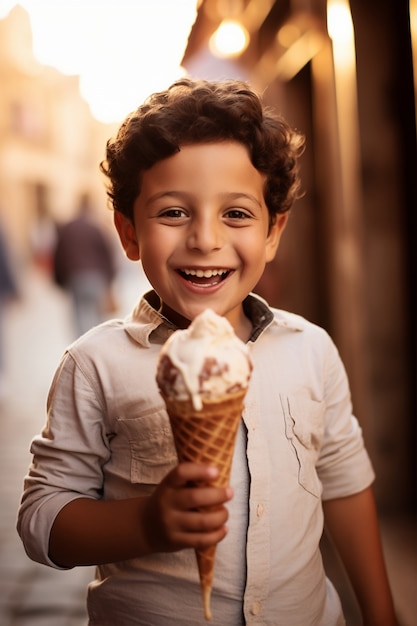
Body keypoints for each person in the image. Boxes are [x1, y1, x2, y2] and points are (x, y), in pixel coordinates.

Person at [17, 78, 397, 625]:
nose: (204, 238)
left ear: (273, 232)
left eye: (236, 214)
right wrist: (145, 524)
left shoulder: (310, 349)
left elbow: (342, 482)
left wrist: (381, 614)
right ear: (129, 234)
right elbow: (41, 518)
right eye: (173, 213)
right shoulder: (96, 364)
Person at [52, 194, 117, 336]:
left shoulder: (68, 227)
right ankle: (95, 344)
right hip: (96, 277)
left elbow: (59, 254)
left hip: (75, 277)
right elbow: (107, 254)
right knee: (96, 314)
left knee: (80, 315)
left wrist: (59, 279)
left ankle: (83, 348)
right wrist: (110, 278)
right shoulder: (96, 227)